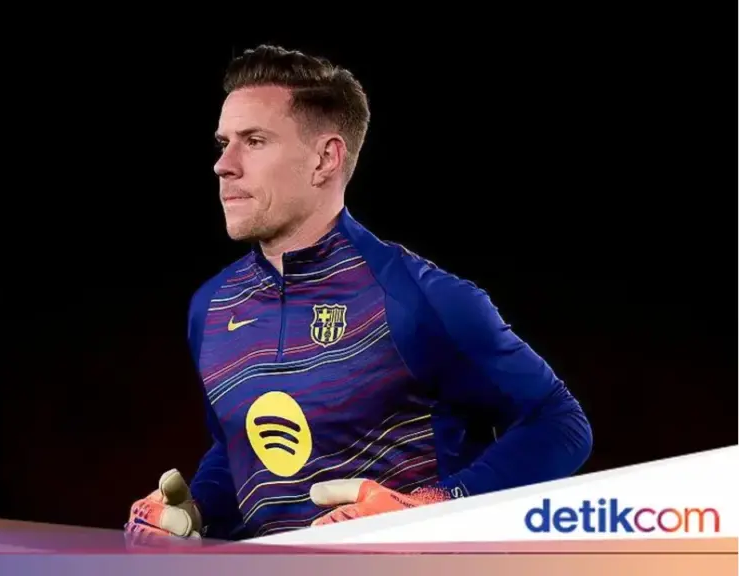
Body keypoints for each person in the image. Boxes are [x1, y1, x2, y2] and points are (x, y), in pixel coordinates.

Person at [125, 45, 592, 542]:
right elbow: (236, 452)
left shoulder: (414, 297)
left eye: (254, 141)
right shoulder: (213, 307)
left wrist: (436, 506)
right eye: (223, 143)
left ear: (325, 159)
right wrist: (196, 512)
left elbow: (559, 423)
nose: (224, 165)